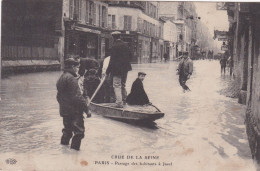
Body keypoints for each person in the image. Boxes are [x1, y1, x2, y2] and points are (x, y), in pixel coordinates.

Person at [56, 58, 91, 151]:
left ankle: (64, 152)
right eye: (77, 67)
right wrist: (87, 110)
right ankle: (75, 155)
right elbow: (78, 97)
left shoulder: (62, 77)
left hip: (65, 110)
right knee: (79, 132)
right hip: (74, 111)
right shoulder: (72, 79)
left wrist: (63, 106)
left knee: (67, 131)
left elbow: (58, 96)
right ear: (73, 67)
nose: (78, 69)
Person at [106, 31, 132, 108]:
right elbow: (130, 56)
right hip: (125, 69)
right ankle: (124, 100)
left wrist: (107, 71)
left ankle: (119, 103)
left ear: (113, 37)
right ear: (120, 37)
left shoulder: (114, 46)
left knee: (117, 85)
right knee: (123, 84)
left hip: (117, 70)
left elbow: (112, 60)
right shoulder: (126, 45)